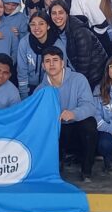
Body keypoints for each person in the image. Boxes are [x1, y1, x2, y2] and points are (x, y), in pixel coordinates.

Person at [38, 46, 98, 182]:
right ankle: (55, 163)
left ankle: (86, 170)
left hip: (77, 127)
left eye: (55, 60)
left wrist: (73, 113)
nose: (51, 64)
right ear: (43, 65)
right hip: (57, 132)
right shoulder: (40, 90)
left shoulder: (79, 79)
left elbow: (90, 106)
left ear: (62, 63)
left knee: (90, 124)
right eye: (47, 61)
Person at [48, 0, 108, 87]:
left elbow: (84, 63)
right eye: (54, 13)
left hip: (95, 76)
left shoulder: (79, 31)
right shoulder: (56, 31)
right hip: (78, 74)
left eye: (61, 12)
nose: (57, 16)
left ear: (67, 14)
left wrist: (77, 84)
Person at [41, 0, 112, 48]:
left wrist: (89, 41)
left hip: (99, 47)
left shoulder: (82, 1)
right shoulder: (49, 15)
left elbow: (102, 24)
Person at [16, 12, 65, 99]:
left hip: (51, 87)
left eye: (41, 24)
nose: (37, 28)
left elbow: (61, 72)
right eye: (33, 24)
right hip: (29, 87)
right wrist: (24, 97)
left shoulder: (57, 45)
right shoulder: (24, 43)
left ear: (48, 26)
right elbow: (21, 71)